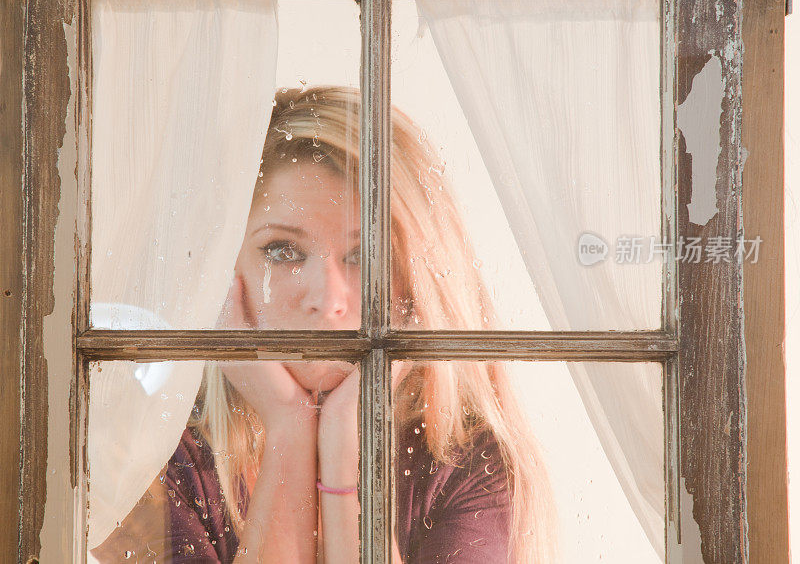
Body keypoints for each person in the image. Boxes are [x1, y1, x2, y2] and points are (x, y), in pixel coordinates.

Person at [92, 86, 556, 564]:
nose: (328, 299)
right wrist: (289, 428)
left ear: (415, 282)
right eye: (282, 251)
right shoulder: (152, 455)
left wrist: (348, 449)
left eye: (365, 256)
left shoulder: (463, 462)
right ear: (223, 267)